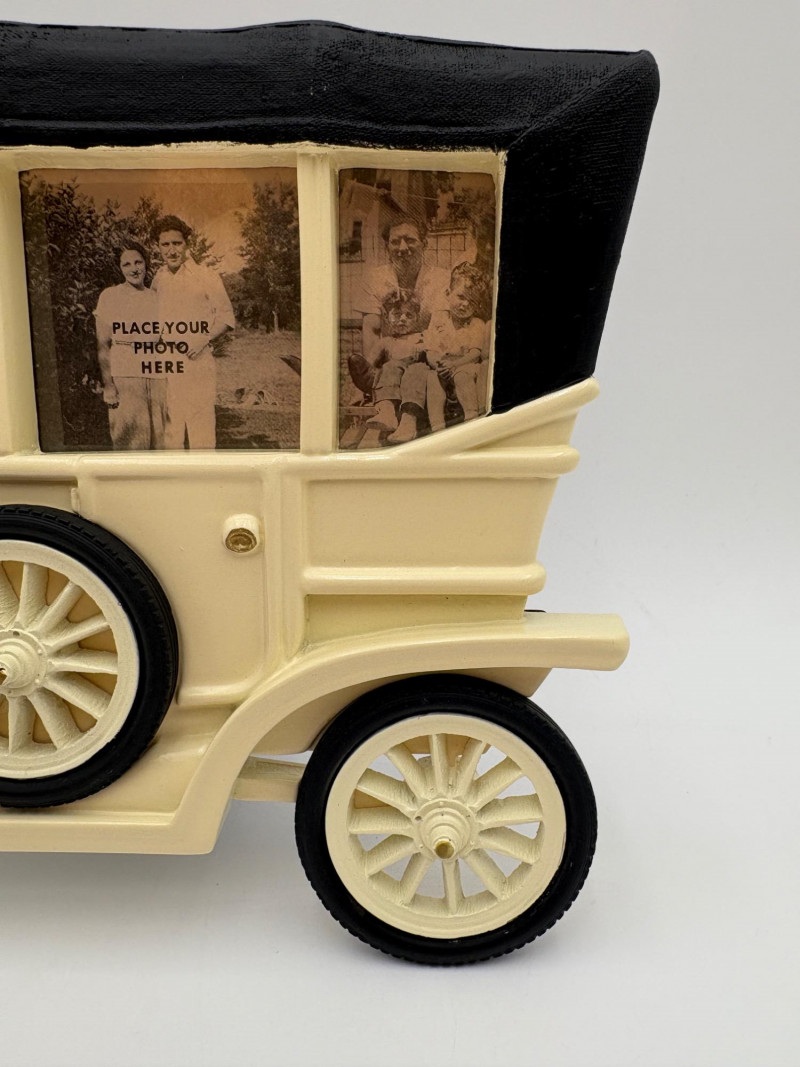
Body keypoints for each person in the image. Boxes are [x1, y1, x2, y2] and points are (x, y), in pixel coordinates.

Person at [150, 215, 235, 449]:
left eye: (177, 243)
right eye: (165, 244)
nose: (172, 250)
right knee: (171, 433)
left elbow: (226, 317)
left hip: (198, 360)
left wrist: (202, 340)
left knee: (201, 433)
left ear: (187, 244)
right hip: (167, 362)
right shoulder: (158, 279)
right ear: (158, 247)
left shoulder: (206, 275)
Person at [347, 217, 449, 401]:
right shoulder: (374, 278)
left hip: (426, 357)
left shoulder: (441, 278)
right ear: (387, 247)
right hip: (389, 359)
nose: (402, 248)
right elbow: (372, 330)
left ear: (424, 243)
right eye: (395, 242)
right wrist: (370, 376)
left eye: (410, 240)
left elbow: (439, 328)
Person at [94, 241, 165, 449]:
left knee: (160, 443)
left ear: (146, 263)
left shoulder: (157, 297)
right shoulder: (110, 296)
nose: (134, 269)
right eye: (127, 264)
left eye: (138, 262)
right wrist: (109, 385)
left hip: (157, 377)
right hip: (125, 378)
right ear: (119, 268)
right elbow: (103, 345)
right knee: (129, 443)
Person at [365, 289, 426, 433]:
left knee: (418, 369)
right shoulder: (386, 342)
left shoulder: (423, 338)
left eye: (409, 315)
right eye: (397, 314)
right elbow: (367, 367)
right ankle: (387, 413)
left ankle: (408, 422)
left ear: (417, 318)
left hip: (416, 386)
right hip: (393, 387)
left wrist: (424, 348)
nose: (403, 319)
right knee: (389, 367)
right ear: (387, 317)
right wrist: (362, 393)